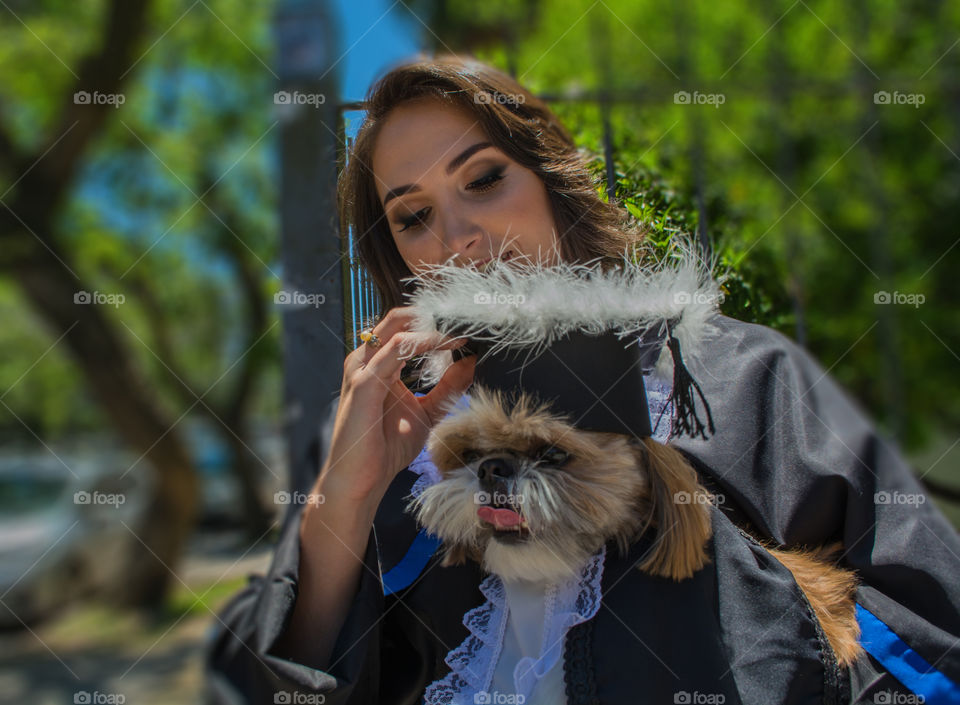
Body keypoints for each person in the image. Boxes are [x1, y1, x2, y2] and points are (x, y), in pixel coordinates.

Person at [203, 55, 960, 704]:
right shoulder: (399, 427)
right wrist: (343, 502)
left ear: (553, 180)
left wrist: (650, 496)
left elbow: (929, 641)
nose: (459, 238)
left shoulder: (743, 376)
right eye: (412, 216)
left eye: (485, 178)